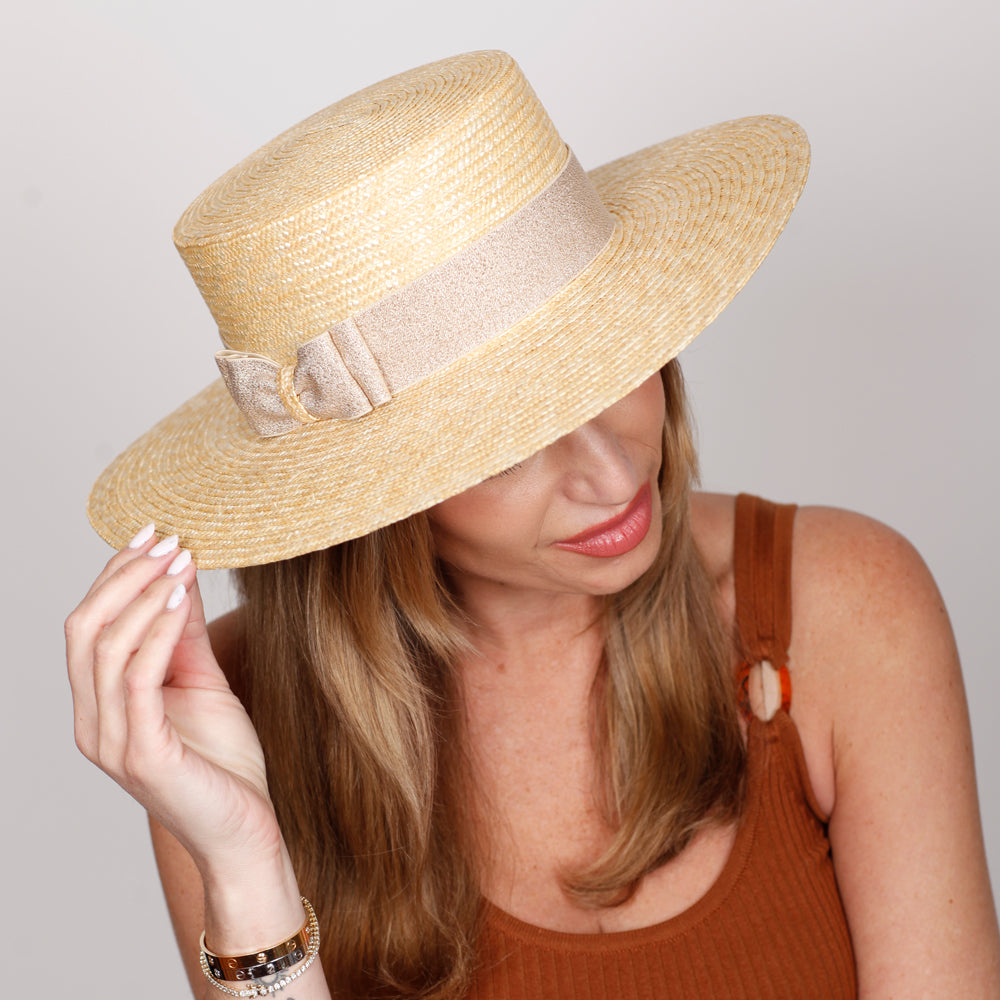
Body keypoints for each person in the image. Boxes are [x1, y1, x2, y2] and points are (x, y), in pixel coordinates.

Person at [67, 50, 1000, 999]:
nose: (616, 475)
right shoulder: (222, 717)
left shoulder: (843, 607)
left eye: (609, 366)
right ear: (367, 506)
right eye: (507, 444)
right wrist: (242, 865)